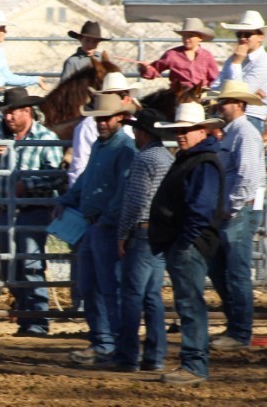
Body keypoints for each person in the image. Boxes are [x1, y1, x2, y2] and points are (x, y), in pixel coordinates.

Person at [0, 87, 63, 336]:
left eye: (12, 113)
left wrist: (30, 184)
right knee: (10, 267)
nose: (7, 118)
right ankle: (26, 318)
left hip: (33, 210)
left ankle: (37, 321)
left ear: (27, 111)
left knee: (30, 265)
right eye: (6, 113)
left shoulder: (47, 138)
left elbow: (56, 176)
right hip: (7, 210)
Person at [149, 102, 226, 385]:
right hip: (185, 241)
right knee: (189, 302)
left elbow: (201, 208)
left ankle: (194, 365)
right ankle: (193, 362)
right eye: (180, 129)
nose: (182, 134)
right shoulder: (194, 159)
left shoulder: (201, 162)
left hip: (188, 242)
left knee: (190, 303)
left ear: (202, 130)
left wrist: (184, 240)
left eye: (187, 129)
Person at [58, 93, 137, 365]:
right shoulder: (101, 146)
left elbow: (124, 189)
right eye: (99, 119)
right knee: (90, 285)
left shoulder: (125, 149)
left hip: (106, 225)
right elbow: (85, 180)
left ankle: (112, 342)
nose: (102, 123)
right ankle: (102, 341)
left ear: (120, 118)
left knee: (107, 286)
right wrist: (67, 199)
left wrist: (108, 216)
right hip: (94, 224)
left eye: (106, 118)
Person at [111, 109, 174, 372]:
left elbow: (135, 202)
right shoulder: (167, 158)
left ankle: (127, 356)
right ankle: (155, 355)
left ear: (144, 133)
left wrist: (123, 234)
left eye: (136, 130)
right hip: (160, 233)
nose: (134, 134)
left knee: (132, 296)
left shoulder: (143, 159)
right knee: (152, 296)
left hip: (142, 231)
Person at [206, 80, 266, 351]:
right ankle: (236, 327)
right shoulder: (233, 133)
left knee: (235, 271)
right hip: (233, 209)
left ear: (239, 105)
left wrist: (230, 207)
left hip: (238, 210)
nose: (220, 105)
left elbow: (247, 177)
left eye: (225, 101)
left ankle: (240, 332)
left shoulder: (244, 134)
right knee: (222, 269)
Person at [211, 10, 267, 134]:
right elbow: (215, 87)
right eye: (239, 34)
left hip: (250, 118)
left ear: (261, 37)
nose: (242, 38)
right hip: (227, 116)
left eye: (247, 34)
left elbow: (238, 95)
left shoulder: (264, 63)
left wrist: (237, 64)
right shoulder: (233, 59)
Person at [138, 18, 219, 91]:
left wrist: (208, 88)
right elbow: (154, 71)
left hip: (200, 94)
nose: (186, 39)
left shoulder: (207, 56)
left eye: (190, 36)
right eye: (184, 36)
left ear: (200, 38)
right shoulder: (172, 54)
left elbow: (215, 78)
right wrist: (146, 68)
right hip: (178, 95)